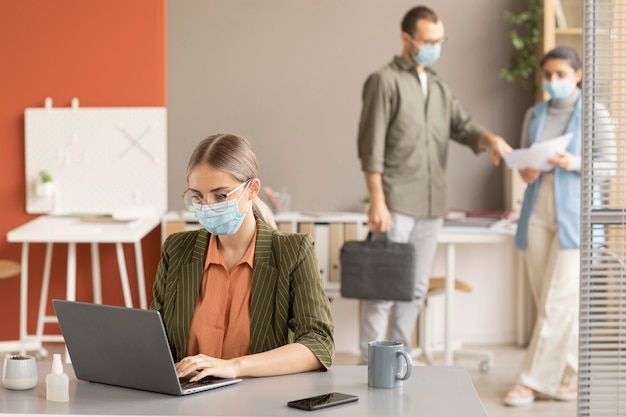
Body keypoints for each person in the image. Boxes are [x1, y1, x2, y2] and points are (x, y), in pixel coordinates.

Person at [356, 5, 511, 364]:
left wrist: (489, 139)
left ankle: (398, 363)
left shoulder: (439, 87)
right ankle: (368, 367)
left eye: (439, 41)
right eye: (428, 41)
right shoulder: (384, 82)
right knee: (383, 288)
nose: (434, 47)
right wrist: (377, 201)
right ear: (406, 38)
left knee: (415, 289)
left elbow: (464, 125)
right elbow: (370, 146)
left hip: (432, 206)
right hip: (396, 203)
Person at [150, 133, 335, 381]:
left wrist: (236, 367)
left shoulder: (293, 251)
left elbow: (319, 344)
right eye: (197, 196)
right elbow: (155, 337)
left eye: (221, 195)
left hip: (261, 401)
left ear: (252, 189)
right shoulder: (177, 249)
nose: (207, 206)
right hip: (188, 401)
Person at [504, 46, 616, 407]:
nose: (553, 81)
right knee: (550, 301)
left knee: (559, 301)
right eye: (548, 75)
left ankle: (530, 381)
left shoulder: (595, 112)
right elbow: (524, 161)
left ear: (578, 75)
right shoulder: (534, 113)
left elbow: (609, 166)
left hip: (576, 215)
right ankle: (569, 376)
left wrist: (575, 162)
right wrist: (527, 169)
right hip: (537, 210)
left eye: (561, 75)